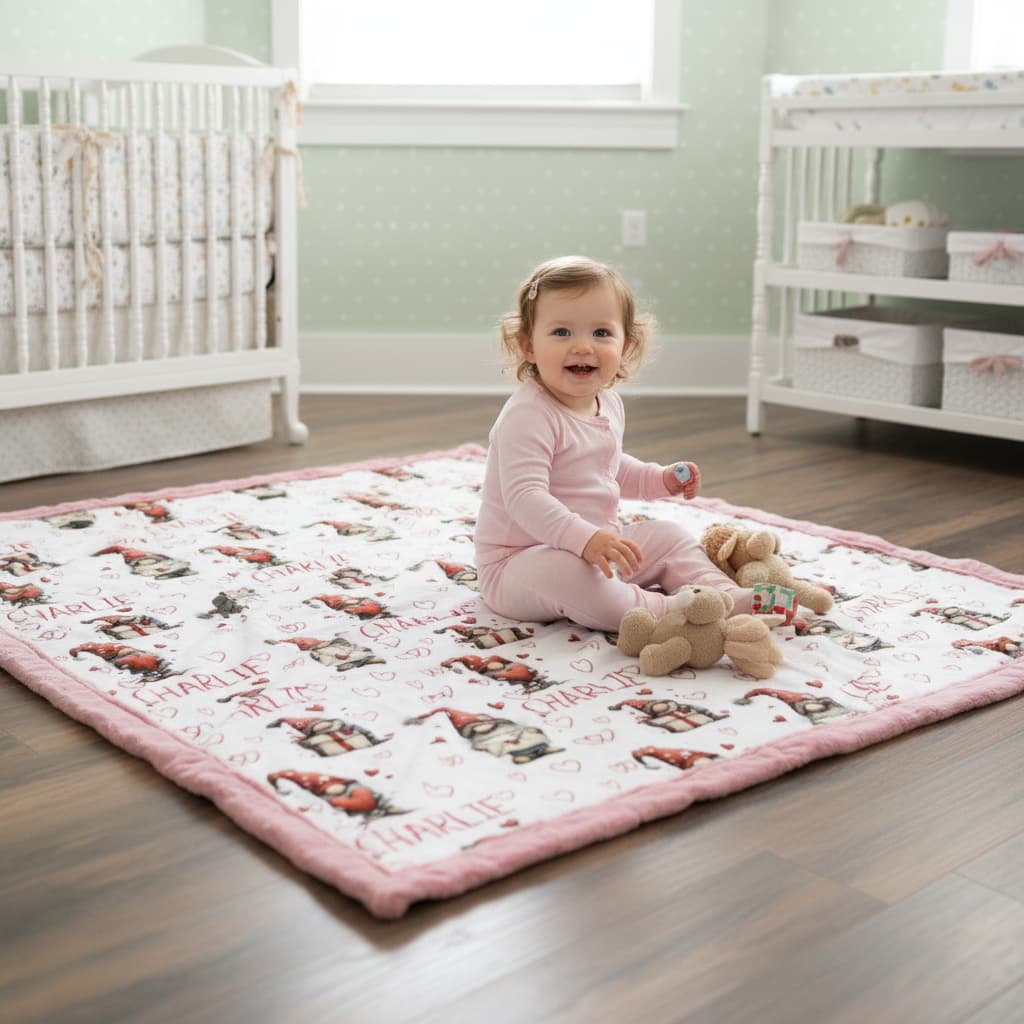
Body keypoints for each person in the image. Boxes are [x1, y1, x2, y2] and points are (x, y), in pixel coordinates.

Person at [474, 255, 793, 633]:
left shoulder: (607, 401)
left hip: (596, 545)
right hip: (519, 563)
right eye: (561, 332)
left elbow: (607, 466)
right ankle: (674, 609)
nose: (582, 347)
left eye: (601, 333)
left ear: (626, 345)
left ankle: (725, 595)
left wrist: (659, 480)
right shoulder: (527, 416)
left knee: (670, 537)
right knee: (575, 578)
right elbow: (524, 498)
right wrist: (585, 539)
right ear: (528, 345)